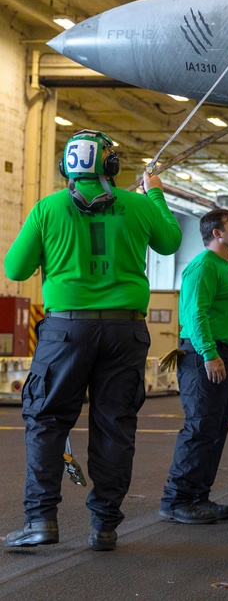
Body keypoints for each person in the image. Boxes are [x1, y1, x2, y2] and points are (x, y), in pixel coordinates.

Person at [3, 129, 182, 552]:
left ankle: (41, 520)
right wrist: (154, 193)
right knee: (114, 425)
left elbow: (15, 268)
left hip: (65, 330)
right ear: (111, 167)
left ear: (68, 167)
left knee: (46, 422)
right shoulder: (138, 205)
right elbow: (171, 242)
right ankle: (104, 525)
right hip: (125, 330)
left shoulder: (48, 208)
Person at [160, 208, 228, 525]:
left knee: (214, 430)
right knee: (200, 428)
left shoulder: (224, 267)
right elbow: (194, 315)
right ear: (216, 233)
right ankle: (176, 500)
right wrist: (210, 354)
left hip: (223, 353)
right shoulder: (201, 267)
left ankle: (198, 497)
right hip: (202, 357)